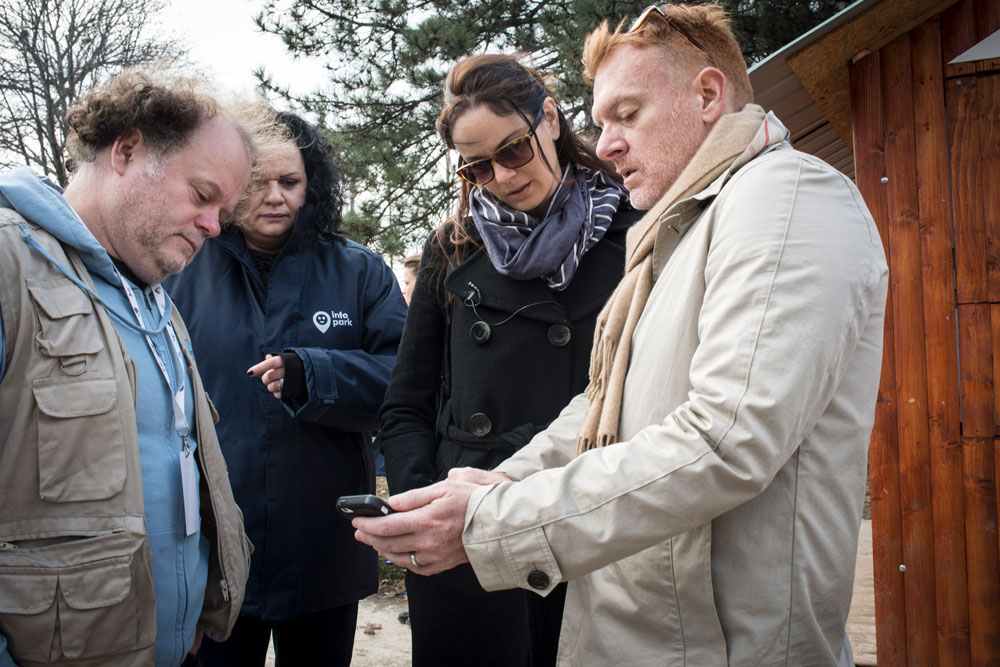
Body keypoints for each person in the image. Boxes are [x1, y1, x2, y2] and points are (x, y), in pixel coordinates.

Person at [355, 4, 889, 666]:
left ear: (707, 94)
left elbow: (725, 439)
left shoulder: (787, 199)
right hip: (647, 628)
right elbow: (605, 403)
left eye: (627, 115)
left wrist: (497, 521)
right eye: (602, 120)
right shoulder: (687, 226)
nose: (605, 143)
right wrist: (485, 489)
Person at [377, 54, 641, 666]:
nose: (500, 175)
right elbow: (405, 404)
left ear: (550, 117)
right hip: (465, 539)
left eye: (514, 149)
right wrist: (428, 507)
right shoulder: (454, 245)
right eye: (477, 166)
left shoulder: (638, 229)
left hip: (588, 528)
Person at [0, 70, 260, 666]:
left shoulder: (157, 300)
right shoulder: (9, 264)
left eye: (223, 208)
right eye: (202, 195)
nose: (215, 226)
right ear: (126, 150)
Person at [164, 111, 407, 667]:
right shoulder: (179, 270)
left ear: (312, 185)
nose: (274, 197)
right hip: (214, 555)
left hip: (325, 548)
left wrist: (316, 373)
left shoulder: (361, 272)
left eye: (290, 183)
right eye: (257, 182)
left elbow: (406, 383)